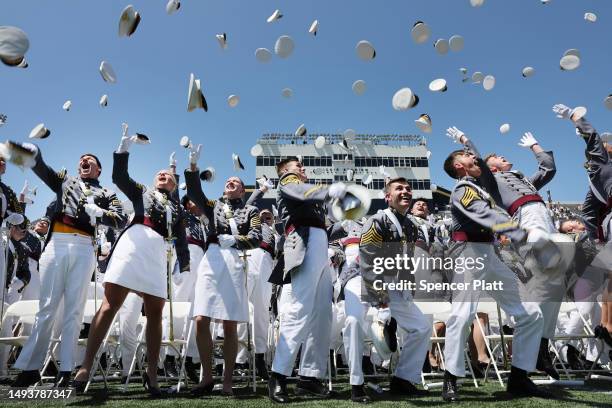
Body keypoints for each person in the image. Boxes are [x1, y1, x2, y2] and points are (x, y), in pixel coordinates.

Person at [73, 123, 189, 396]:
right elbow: (119, 176)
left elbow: (181, 239)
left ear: (174, 184)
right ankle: (85, 367)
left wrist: (184, 265)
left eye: (167, 175)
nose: (162, 175)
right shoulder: (142, 192)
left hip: (158, 251)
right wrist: (123, 149)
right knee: (110, 304)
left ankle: (151, 375)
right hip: (134, 243)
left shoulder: (178, 208)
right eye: (158, 174)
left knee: (156, 314)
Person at [440, 126, 547, 401]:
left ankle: (519, 377)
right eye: (467, 155)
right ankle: (451, 378)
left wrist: (468, 140)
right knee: (463, 315)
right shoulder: (463, 189)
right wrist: (518, 232)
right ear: (458, 166)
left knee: (531, 313)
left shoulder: (480, 186)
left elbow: (483, 170)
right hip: (467, 253)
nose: (473, 157)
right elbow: (484, 214)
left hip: (489, 253)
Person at [11, 142, 125, 388]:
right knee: (48, 308)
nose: (84, 160)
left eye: (90, 159)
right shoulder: (66, 182)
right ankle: (31, 368)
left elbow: (120, 218)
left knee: (74, 310)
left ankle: (66, 369)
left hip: (85, 246)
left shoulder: (106, 193)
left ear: (98, 169)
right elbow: (43, 170)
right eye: (81, 158)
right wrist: (35, 153)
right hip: (57, 243)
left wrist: (101, 214)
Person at [184, 145, 262, 397]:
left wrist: (236, 241)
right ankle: (207, 376)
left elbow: (257, 238)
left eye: (235, 181)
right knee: (200, 318)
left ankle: (226, 381)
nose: (230, 182)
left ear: (242, 189)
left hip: (235, 259)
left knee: (229, 324)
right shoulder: (214, 205)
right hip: (212, 258)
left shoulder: (251, 211)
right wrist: (193, 168)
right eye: (228, 180)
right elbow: (194, 191)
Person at [268, 157, 346, 403]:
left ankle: (310, 377)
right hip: (303, 242)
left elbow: (327, 225)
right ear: (285, 171)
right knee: (299, 309)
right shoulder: (288, 182)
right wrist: (330, 190)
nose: (302, 169)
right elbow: (303, 194)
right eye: (297, 166)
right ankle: (278, 374)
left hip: (319, 243)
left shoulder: (308, 192)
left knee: (323, 313)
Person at [484, 132, 561, 379]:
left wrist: (535, 146)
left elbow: (548, 169)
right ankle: (529, 339)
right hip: (525, 219)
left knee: (556, 283)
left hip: (544, 217)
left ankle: (542, 345)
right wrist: (467, 144)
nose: (503, 155)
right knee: (541, 277)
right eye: (497, 156)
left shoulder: (522, 179)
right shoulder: (490, 181)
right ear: (489, 166)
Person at [358, 178, 433, 399]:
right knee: (355, 328)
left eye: (408, 188)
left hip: (398, 285)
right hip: (375, 282)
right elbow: (367, 257)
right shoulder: (378, 219)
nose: (405, 192)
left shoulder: (410, 224)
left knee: (421, 328)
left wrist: (409, 285)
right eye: (399, 189)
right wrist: (378, 292)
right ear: (387, 197)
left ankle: (402, 379)